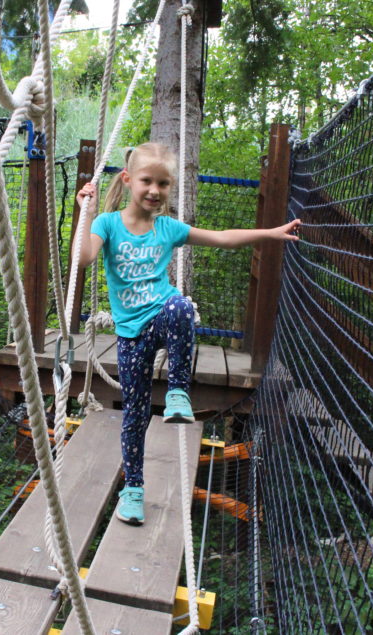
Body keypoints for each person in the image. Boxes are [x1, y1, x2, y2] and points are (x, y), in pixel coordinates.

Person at [77, 142, 301, 525]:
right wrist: (87, 213)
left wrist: (271, 233)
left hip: (163, 316)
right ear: (129, 180)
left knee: (181, 306)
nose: (155, 190)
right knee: (135, 413)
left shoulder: (167, 228)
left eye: (164, 184)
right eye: (147, 181)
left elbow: (222, 237)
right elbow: (84, 259)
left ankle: (179, 391)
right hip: (131, 335)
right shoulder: (108, 224)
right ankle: (133, 491)